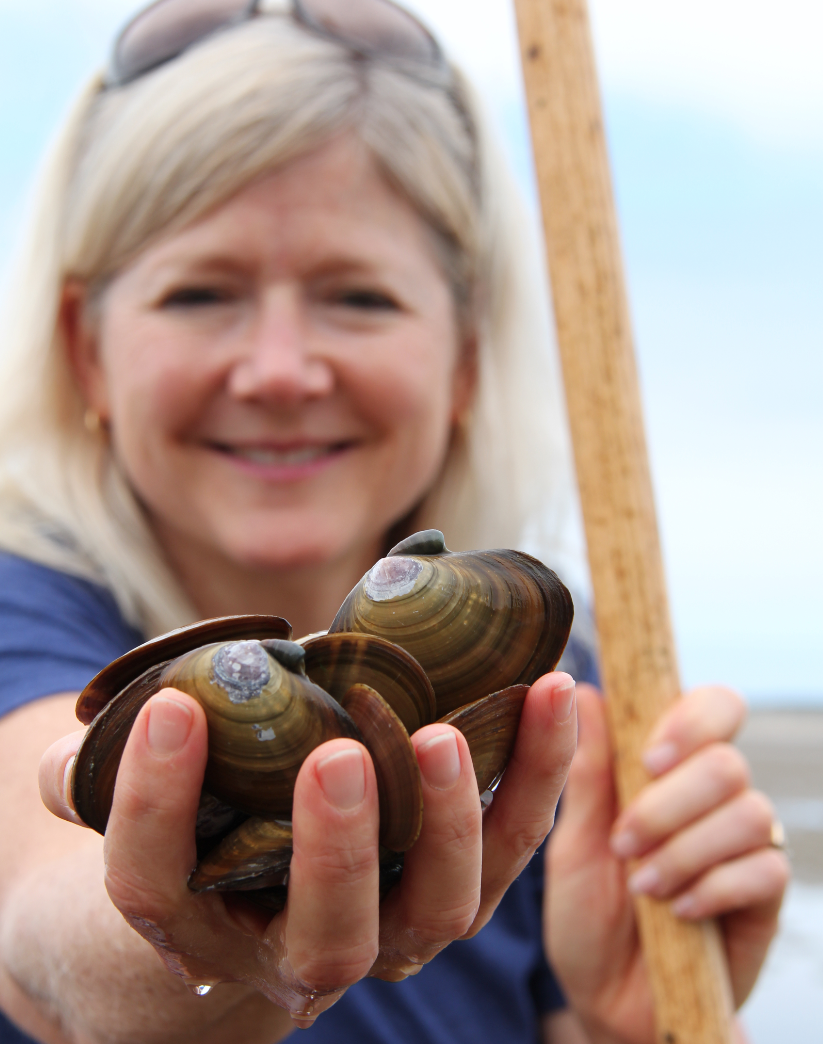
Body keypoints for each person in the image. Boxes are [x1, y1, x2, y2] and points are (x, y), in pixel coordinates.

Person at [0, 2, 789, 1042]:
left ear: (464, 359)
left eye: (358, 297)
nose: (280, 371)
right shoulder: (21, 608)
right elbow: (45, 926)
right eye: (199, 294)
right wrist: (200, 928)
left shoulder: (561, 696)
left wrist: (628, 1026)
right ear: (86, 349)